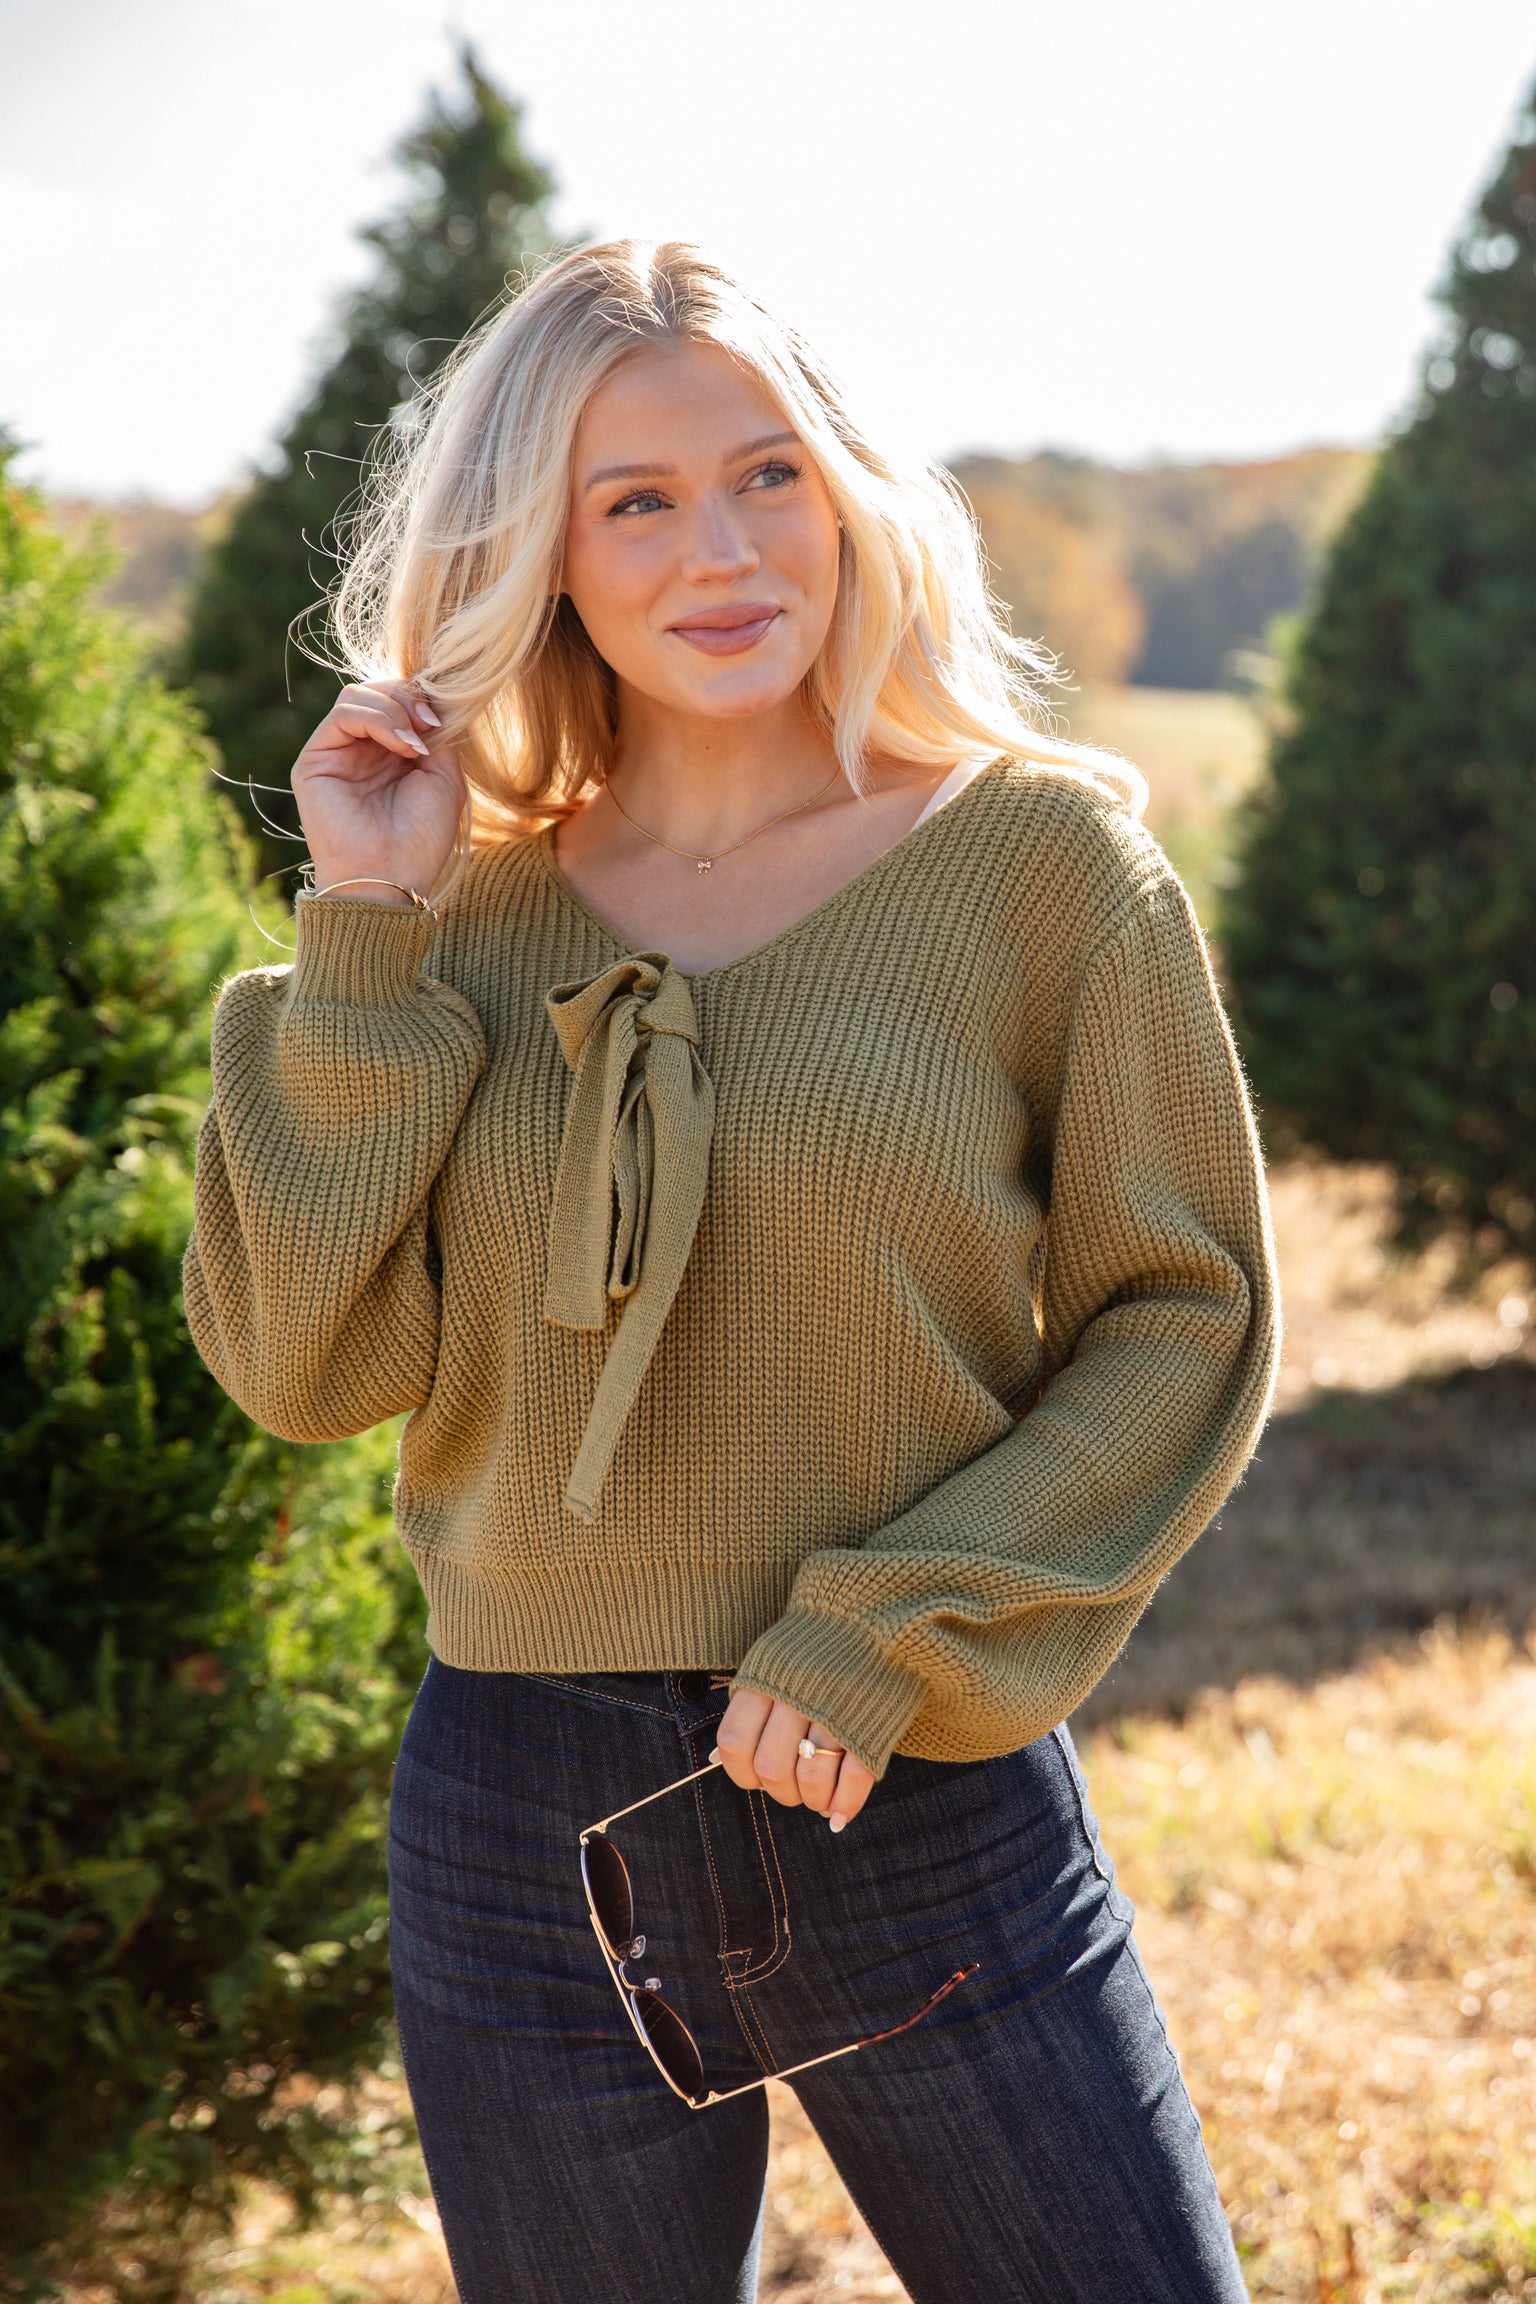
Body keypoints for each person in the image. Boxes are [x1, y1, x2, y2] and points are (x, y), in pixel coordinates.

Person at [185, 239, 1278, 2303]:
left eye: (772, 471)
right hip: (520, 1821)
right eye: (639, 500)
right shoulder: (452, 926)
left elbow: (1184, 1316)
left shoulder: (1042, 867)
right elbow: (306, 1368)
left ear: (854, 491)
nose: (728, 547)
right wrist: (365, 931)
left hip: (908, 1771)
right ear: (547, 556)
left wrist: (887, 1631)